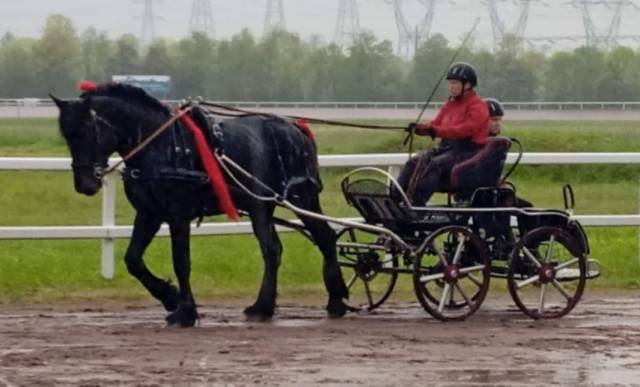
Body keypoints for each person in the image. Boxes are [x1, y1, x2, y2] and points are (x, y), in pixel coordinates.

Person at [397, 62, 490, 205]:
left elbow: (465, 130)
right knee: (413, 162)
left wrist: (435, 130)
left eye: (455, 83)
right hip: (447, 150)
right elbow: (435, 125)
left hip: (468, 152)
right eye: (450, 83)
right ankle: (395, 200)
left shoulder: (478, 106)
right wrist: (420, 128)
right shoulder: (449, 105)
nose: (451, 86)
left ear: (467, 85)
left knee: (433, 164)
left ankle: (416, 205)